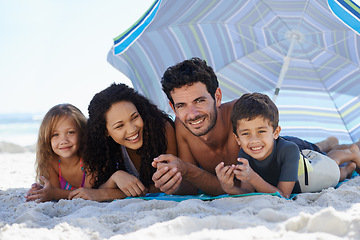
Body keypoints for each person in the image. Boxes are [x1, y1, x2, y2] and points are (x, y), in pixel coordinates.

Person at [152, 57, 360, 196]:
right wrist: (174, 181)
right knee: (325, 152)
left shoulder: (240, 114)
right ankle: (327, 143)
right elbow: (193, 185)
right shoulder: (182, 126)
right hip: (260, 170)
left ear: (217, 96)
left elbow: (223, 184)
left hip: (284, 150)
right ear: (172, 106)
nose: (192, 114)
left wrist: (187, 169)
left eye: (199, 101)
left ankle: (332, 145)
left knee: (319, 158)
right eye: (181, 105)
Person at [215, 93, 360, 198]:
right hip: (296, 158)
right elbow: (249, 193)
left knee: (336, 170)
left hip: (313, 173)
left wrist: (252, 177)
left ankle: (350, 153)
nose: (254, 140)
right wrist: (229, 188)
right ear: (237, 138)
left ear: (276, 131)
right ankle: (348, 164)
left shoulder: (288, 149)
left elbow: (283, 195)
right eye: (246, 133)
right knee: (325, 158)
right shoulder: (244, 154)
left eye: (261, 131)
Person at [68, 83, 177, 201]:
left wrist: (107, 194)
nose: (132, 129)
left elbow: (169, 183)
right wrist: (115, 178)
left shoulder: (162, 129)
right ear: (106, 131)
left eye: (135, 117)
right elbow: (98, 188)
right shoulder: (104, 148)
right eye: (119, 126)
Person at [25, 104, 93, 202]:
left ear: (83, 133)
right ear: (47, 139)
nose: (63, 140)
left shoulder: (90, 158)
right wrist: (41, 192)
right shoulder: (52, 162)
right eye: (55, 134)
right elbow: (53, 194)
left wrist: (54, 193)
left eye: (70, 132)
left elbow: (89, 194)